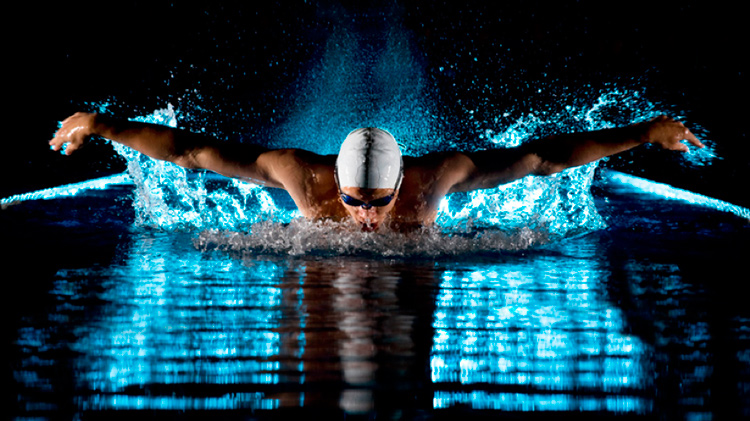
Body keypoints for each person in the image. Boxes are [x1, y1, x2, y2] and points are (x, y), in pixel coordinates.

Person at [49, 112, 703, 232]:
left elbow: (541, 158)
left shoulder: (433, 182)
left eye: (376, 201)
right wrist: (103, 125)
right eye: (354, 198)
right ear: (333, 180)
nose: (364, 215)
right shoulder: (302, 179)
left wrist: (645, 133)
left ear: (400, 185)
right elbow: (192, 151)